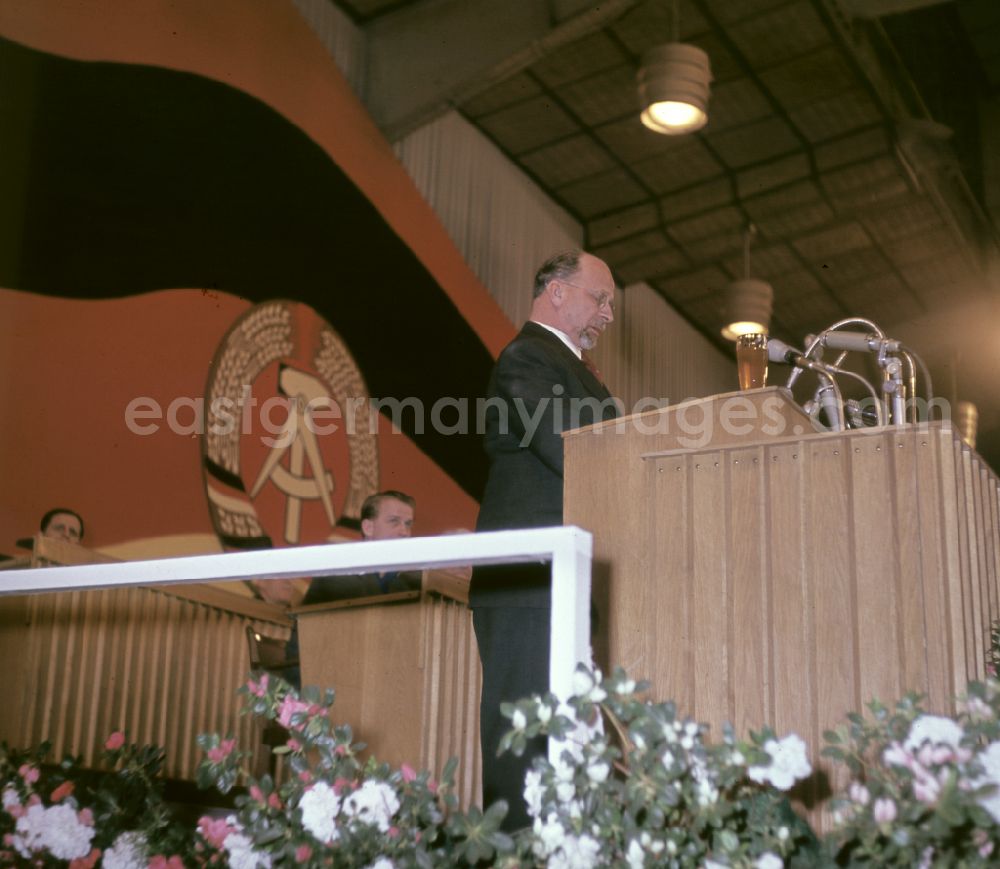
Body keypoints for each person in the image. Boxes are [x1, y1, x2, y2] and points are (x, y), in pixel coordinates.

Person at [470, 249, 620, 829]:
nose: (607, 313)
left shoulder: (566, 364)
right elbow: (569, 447)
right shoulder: (527, 356)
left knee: (561, 739)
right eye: (598, 297)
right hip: (527, 579)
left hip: (561, 578)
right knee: (523, 739)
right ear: (556, 292)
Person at [301, 490, 419, 603]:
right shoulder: (337, 572)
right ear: (368, 528)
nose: (405, 532)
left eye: (408, 524)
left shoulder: (413, 581)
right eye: (394, 521)